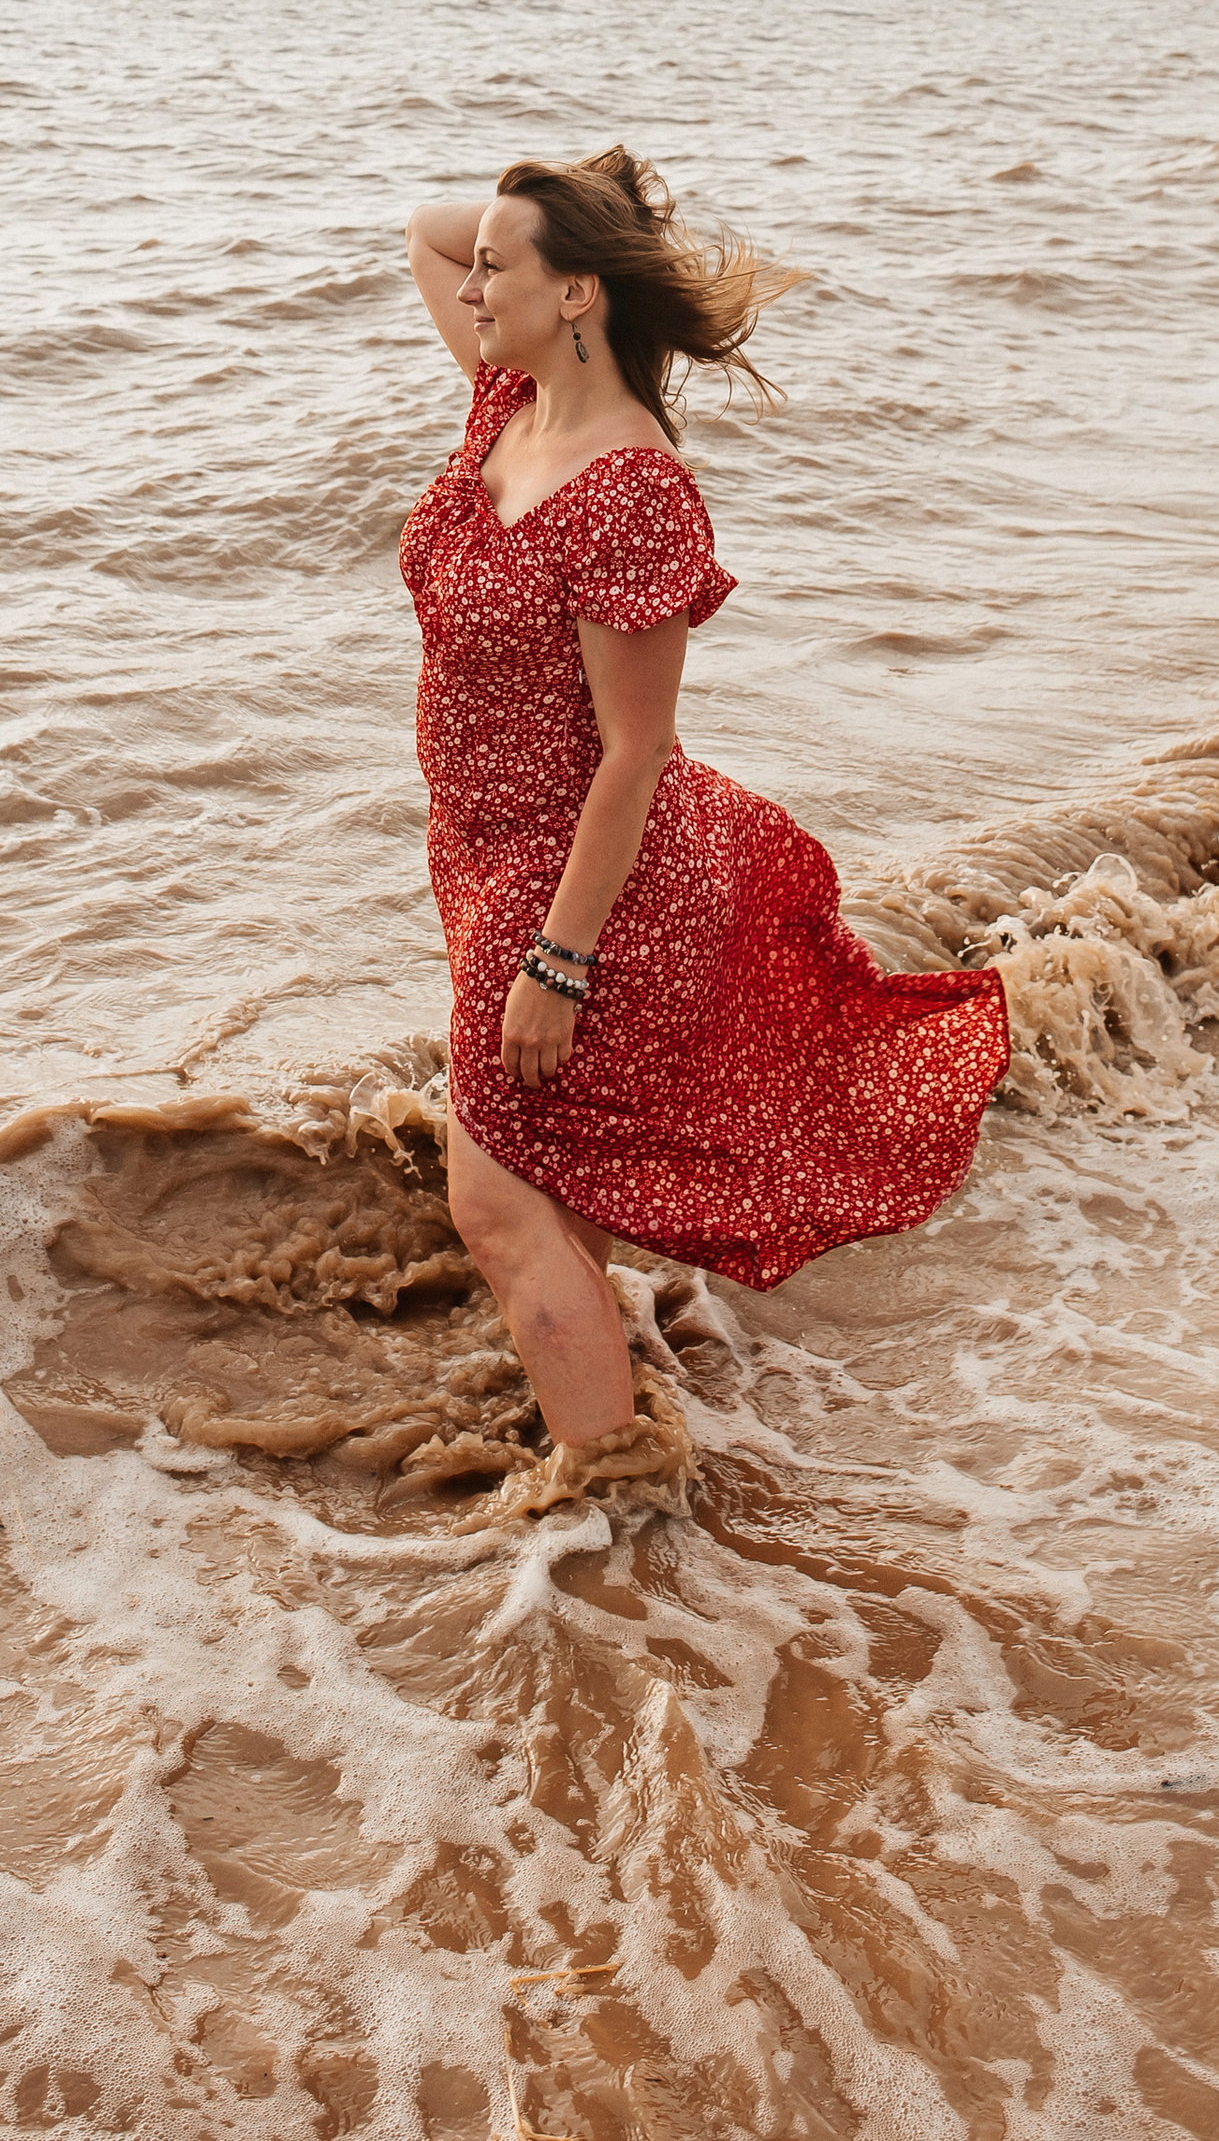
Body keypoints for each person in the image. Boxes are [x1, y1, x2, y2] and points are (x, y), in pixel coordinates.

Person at [399, 146, 1012, 1456]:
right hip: (478, 852)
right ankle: (613, 1447)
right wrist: (556, 201)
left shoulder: (627, 486)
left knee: (497, 1205)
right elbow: (428, 228)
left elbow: (635, 749)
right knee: (552, 1180)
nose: (475, 280)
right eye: (490, 263)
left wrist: (559, 961)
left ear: (577, 297)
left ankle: (614, 1499)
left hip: (574, 880)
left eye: (507, 267)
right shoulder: (505, 404)